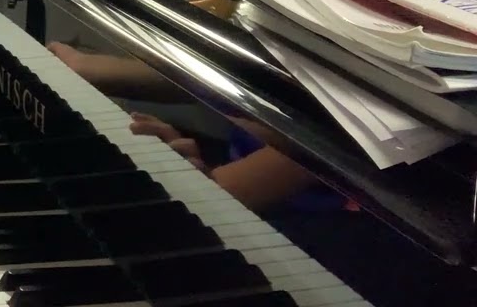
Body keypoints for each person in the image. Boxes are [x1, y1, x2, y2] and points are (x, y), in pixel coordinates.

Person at [47, 41, 477, 306]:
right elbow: (233, 69)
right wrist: (91, 67)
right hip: (266, 177)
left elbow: (336, 135)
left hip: (358, 231)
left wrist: (201, 185)